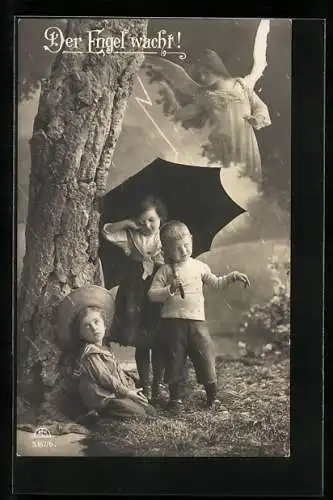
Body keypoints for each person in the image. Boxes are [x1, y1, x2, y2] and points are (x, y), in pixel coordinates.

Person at [148, 221, 250, 412]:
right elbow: (152, 294)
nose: (184, 251)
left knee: (205, 355)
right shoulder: (166, 271)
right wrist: (169, 288)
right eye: (177, 249)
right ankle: (175, 399)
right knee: (174, 359)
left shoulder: (199, 267)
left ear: (192, 240)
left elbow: (217, 283)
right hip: (172, 324)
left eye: (187, 245)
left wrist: (232, 276)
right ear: (166, 251)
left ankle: (211, 396)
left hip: (196, 322)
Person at [144, 48, 271, 182]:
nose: (202, 77)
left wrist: (258, 118)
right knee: (229, 183)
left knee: (249, 184)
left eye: (206, 72)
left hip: (245, 143)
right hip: (222, 148)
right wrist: (168, 101)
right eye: (200, 74)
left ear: (216, 68)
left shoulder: (241, 85)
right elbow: (183, 114)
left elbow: (260, 106)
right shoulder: (204, 95)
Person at [101, 195, 167, 403]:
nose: (147, 225)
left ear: (161, 220)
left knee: (159, 339)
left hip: (158, 291)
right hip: (135, 294)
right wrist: (127, 224)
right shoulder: (131, 236)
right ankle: (146, 385)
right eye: (142, 221)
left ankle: (158, 385)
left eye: (152, 220)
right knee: (142, 341)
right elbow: (107, 231)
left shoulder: (166, 237)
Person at [57, 285, 156, 420]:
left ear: (104, 324)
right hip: (102, 397)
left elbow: (117, 372)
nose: (94, 329)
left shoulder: (104, 349)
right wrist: (128, 393)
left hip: (115, 392)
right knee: (140, 415)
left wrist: (131, 388)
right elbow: (105, 378)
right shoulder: (90, 354)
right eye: (87, 326)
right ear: (80, 334)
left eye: (96, 322)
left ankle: (130, 408)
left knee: (150, 410)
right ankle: (97, 417)